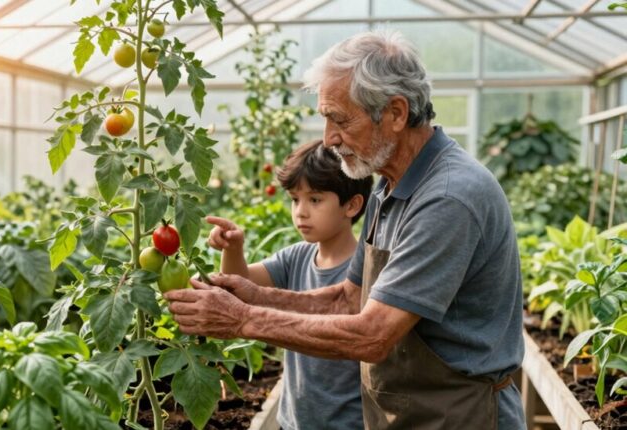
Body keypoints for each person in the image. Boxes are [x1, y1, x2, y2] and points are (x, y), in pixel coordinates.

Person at [166, 29, 526, 430]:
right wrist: (260, 295)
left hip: (461, 415)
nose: (329, 139)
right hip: (411, 411)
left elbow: (373, 335)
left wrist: (243, 319)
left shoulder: (447, 197)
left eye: (340, 120)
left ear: (396, 113)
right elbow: (348, 298)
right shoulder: (389, 186)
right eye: (325, 119)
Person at [206, 140, 372, 430]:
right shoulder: (297, 256)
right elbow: (241, 288)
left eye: (315, 199)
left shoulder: (365, 271)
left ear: (352, 204)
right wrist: (233, 249)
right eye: (295, 199)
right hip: (292, 420)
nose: (301, 212)